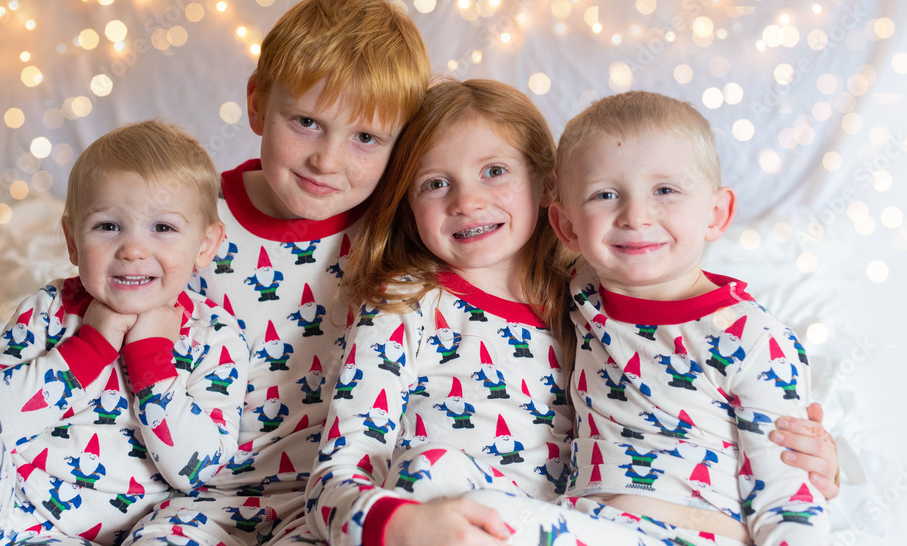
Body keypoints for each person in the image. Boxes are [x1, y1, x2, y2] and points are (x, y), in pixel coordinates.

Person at [292, 80, 840, 546]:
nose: (466, 202)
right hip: (494, 521)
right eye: (435, 184)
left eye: (495, 171)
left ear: (548, 190)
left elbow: (735, 398)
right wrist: (404, 524)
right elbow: (341, 470)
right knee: (434, 469)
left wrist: (816, 459)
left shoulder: (586, 296)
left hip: (605, 526)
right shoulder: (406, 306)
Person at [123, 0, 431, 546]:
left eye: (365, 137)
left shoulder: (395, 232)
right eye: (308, 122)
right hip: (199, 493)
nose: (327, 160)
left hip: (334, 496)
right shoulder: (190, 220)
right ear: (258, 103)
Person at [466, 90, 832, 544]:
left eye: (665, 191)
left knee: (483, 521)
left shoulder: (754, 339)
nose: (635, 216)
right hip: (586, 522)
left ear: (716, 213)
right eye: (605, 194)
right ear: (566, 226)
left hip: (691, 534)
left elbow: (789, 497)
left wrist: (824, 462)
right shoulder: (578, 295)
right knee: (456, 501)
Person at [0, 120, 248, 546]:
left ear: (204, 245)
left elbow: (199, 471)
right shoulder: (51, 309)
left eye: (163, 228)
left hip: (136, 529)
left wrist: (152, 362)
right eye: (108, 226)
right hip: (11, 509)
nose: (133, 249)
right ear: (72, 241)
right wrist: (87, 350)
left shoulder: (214, 336)